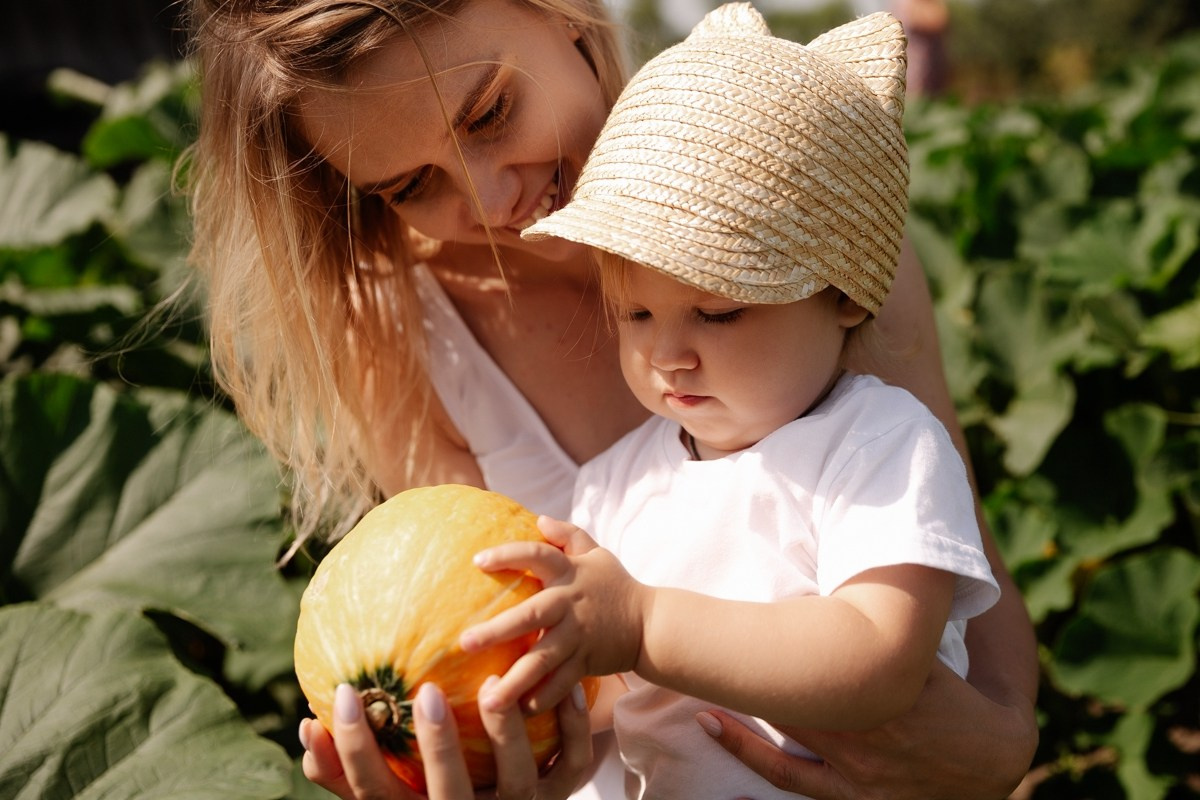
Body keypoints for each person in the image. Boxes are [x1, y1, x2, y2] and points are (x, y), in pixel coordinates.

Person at [180, 0, 1038, 797]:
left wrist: (999, 750)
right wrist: (500, 754)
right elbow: (515, 668)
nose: (489, 200)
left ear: (563, 16)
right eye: (410, 185)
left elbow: (962, 574)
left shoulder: (804, 227)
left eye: (488, 113)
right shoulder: (401, 332)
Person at [455, 7, 999, 798]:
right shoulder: (615, 484)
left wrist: (643, 625)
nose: (668, 353)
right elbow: (604, 708)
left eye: (719, 312)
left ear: (844, 295)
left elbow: (880, 658)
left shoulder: (880, 445)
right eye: (636, 315)